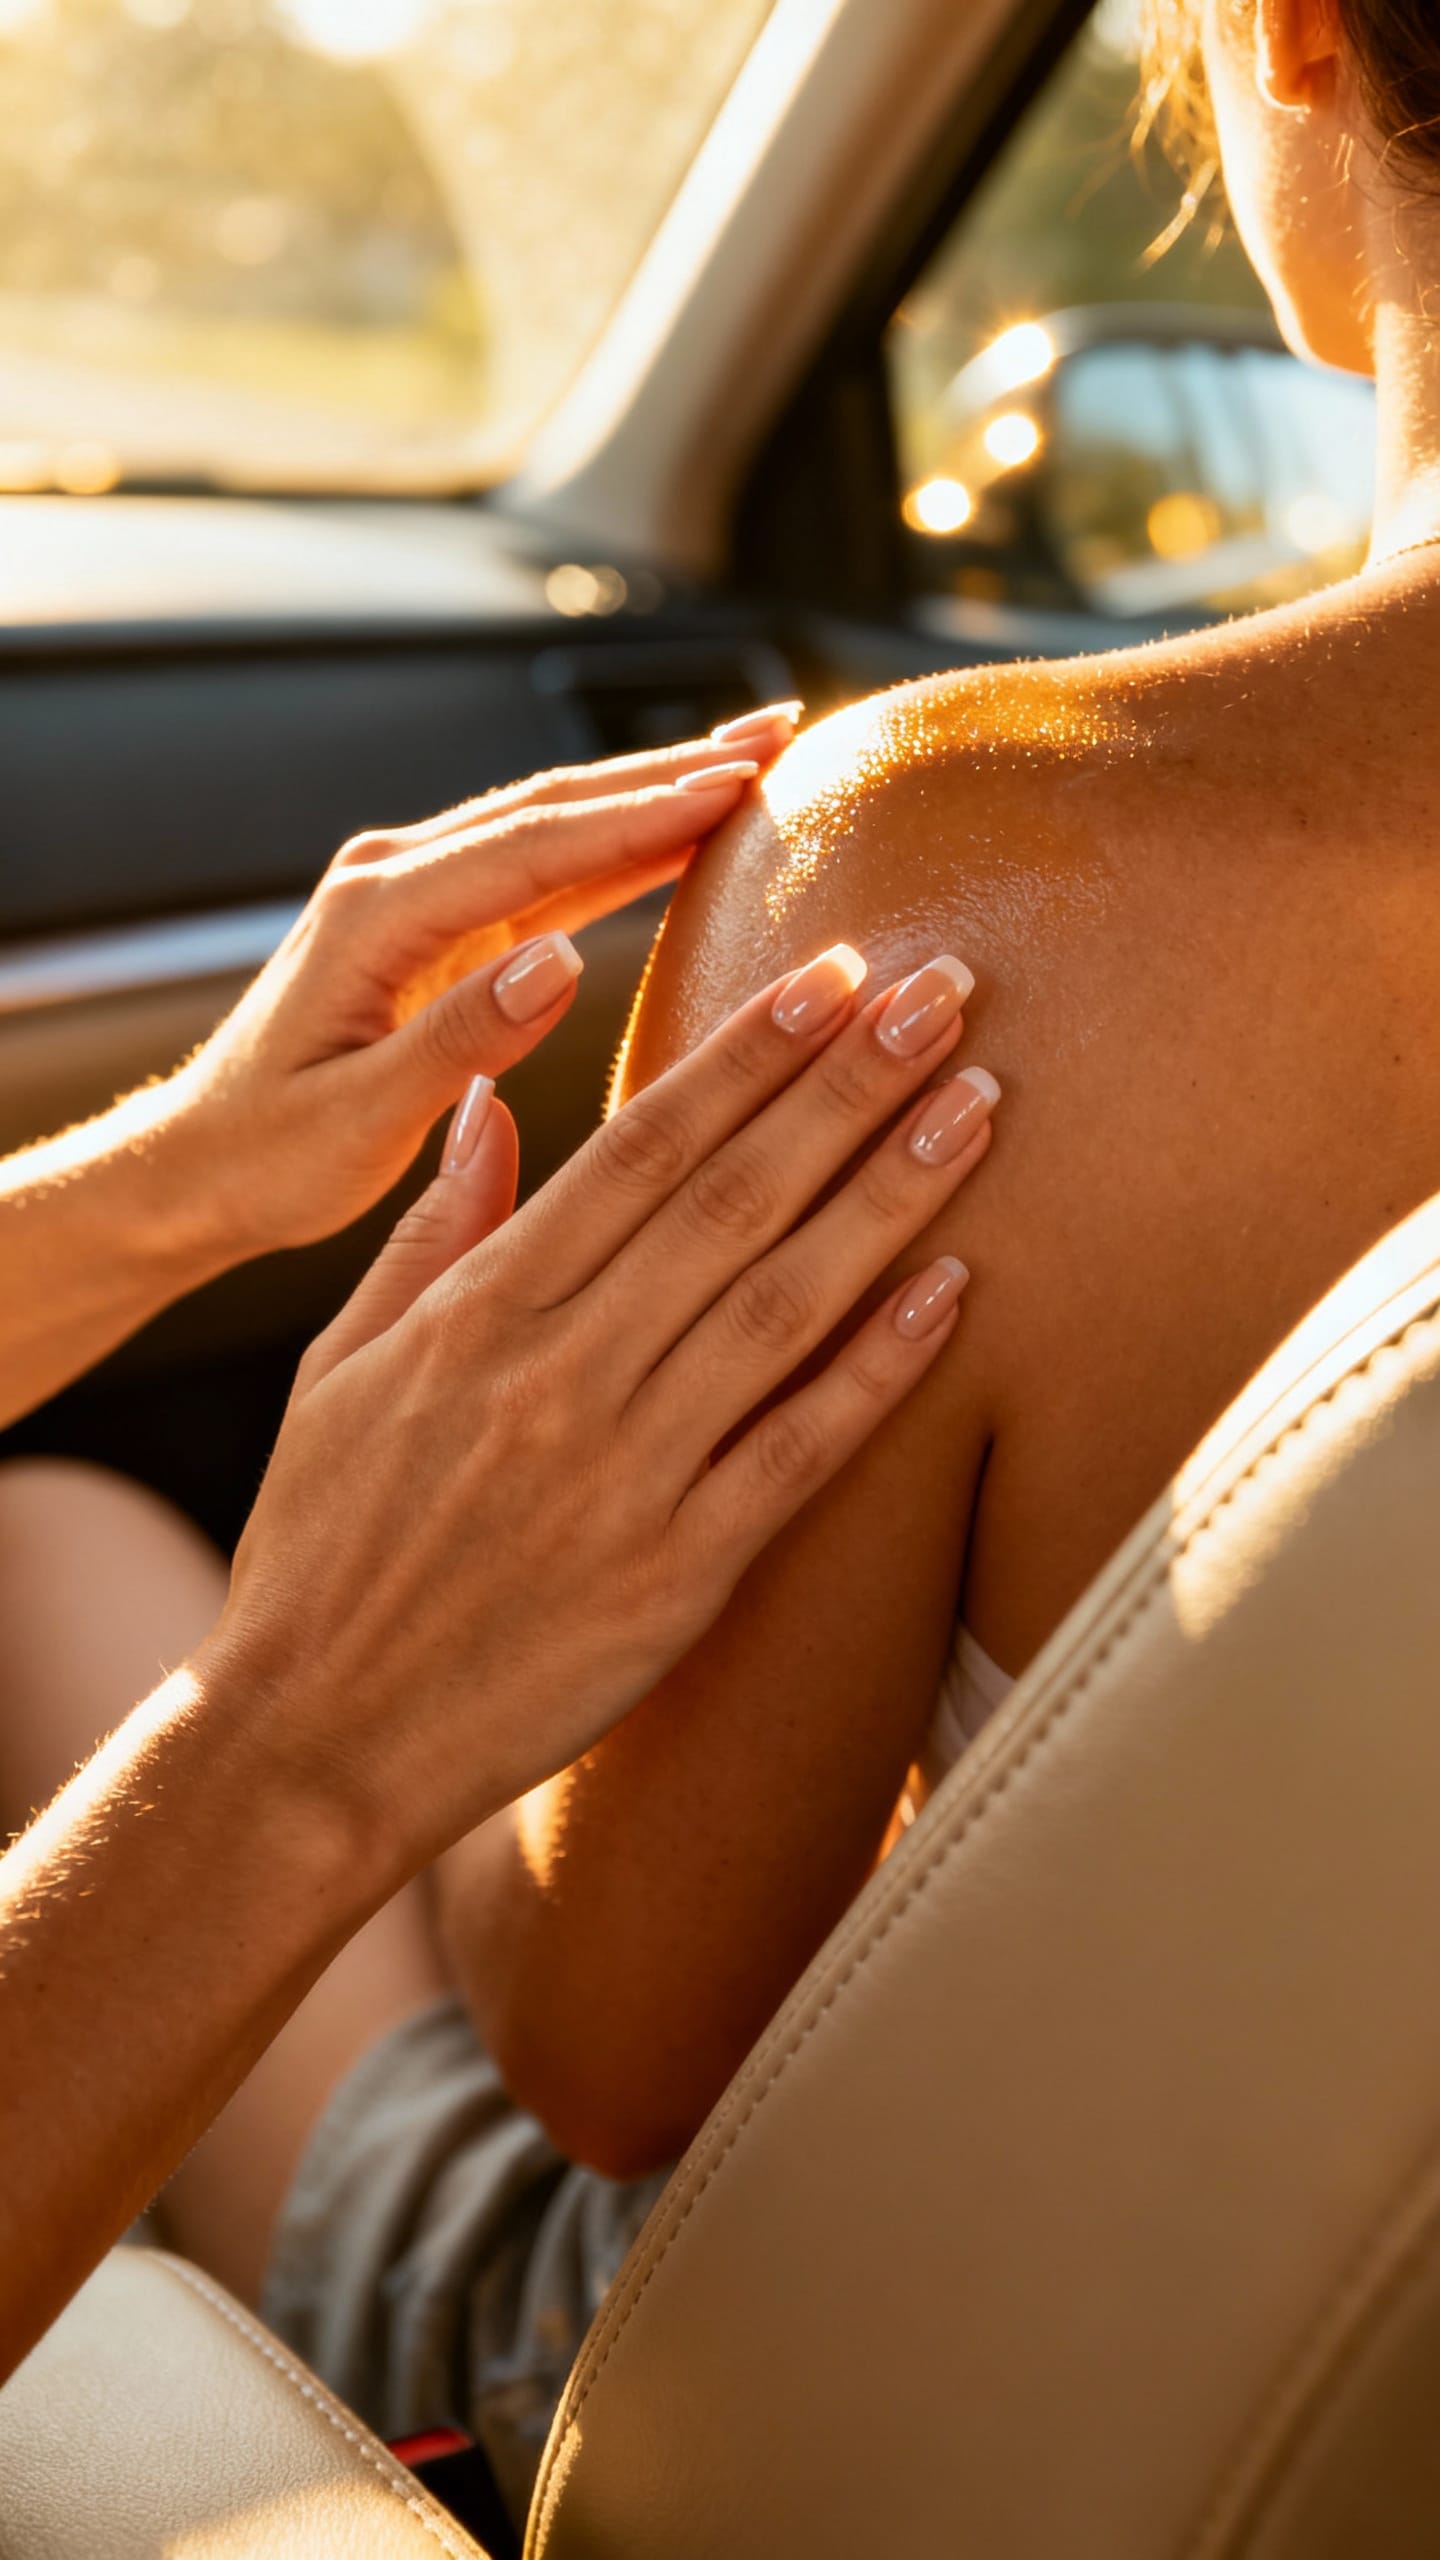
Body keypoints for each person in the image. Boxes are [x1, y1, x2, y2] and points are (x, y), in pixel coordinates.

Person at [436, 0, 1440, 2184]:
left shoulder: (948, 882)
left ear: (1297, 31)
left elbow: (615, 2061)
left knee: (54, 1551)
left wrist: (406, 1640)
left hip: (987, 2399)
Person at [0, 709, 1001, 2467]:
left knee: (38, 1542)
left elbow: (597, 2058)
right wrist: (312, 1735)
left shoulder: (970, 841)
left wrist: (177, 1182)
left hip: (737, 2335)